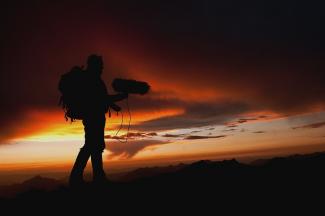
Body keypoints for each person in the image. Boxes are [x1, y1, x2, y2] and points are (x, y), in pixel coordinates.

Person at [69, 54, 128, 187]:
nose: (102, 69)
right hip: (93, 118)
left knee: (95, 147)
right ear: (95, 65)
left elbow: (100, 98)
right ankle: (77, 178)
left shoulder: (91, 79)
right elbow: (99, 99)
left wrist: (113, 105)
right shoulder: (92, 80)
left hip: (93, 117)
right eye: (100, 66)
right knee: (91, 146)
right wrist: (119, 97)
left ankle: (97, 177)